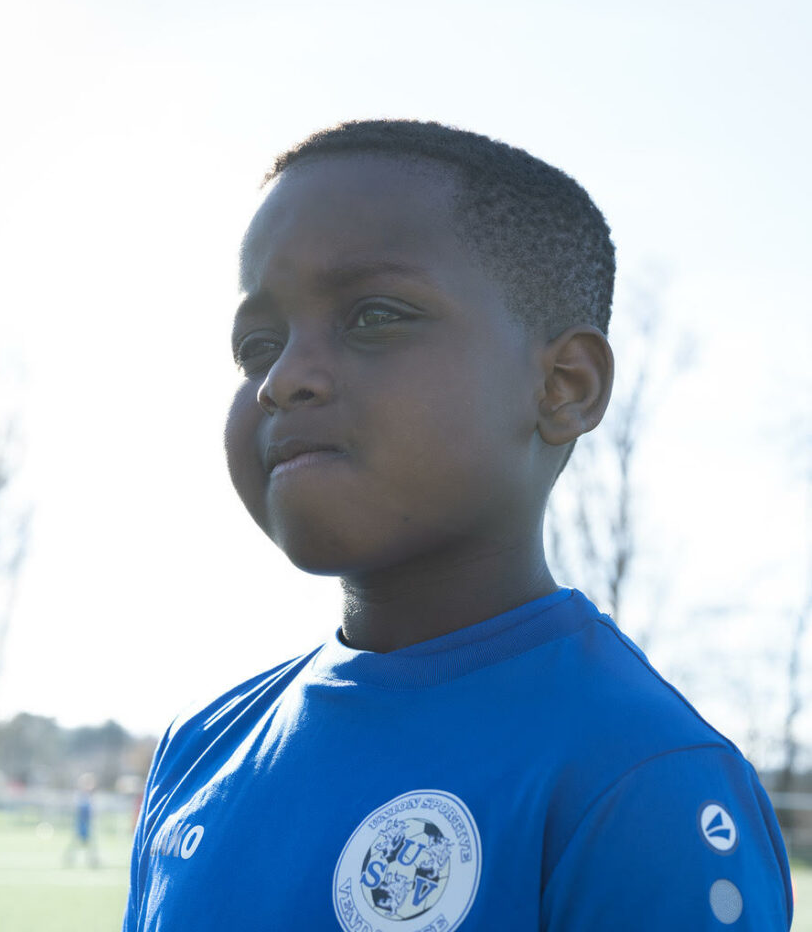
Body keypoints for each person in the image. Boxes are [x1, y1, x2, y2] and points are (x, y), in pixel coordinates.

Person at [122, 120, 793, 930]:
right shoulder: (200, 748)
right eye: (258, 343)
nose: (284, 378)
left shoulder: (638, 776)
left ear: (563, 386)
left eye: (373, 316)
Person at [64, 771, 99, 868]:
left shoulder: (89, 796)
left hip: (87, 824)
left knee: (89, 844)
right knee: (76, 843)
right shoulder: (81, 796)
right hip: (81, 824)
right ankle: (69, 858)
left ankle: (93, 860)